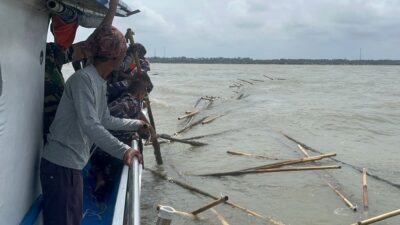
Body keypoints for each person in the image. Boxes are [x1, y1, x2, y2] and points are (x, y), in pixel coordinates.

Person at [40, 0, 144, 224]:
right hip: (61, 165)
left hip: (74, 163)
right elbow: (91, 124)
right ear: (115, 57)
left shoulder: (99, 81)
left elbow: (104, 118)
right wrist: (124, 150)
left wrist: (136, 125)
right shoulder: (83, 80)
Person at [90, 80, 156, 200]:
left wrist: (149, 129)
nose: (145, 98)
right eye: (145, 95)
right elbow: (114, 112)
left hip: (97, 146)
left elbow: (139, 116)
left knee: (99, 169)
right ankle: (102, 185)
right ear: (141, 92)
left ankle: (99, 178)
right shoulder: (132, 102)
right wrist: (131, 130)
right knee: (110, 176)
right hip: (106, 150)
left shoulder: (125, 98)